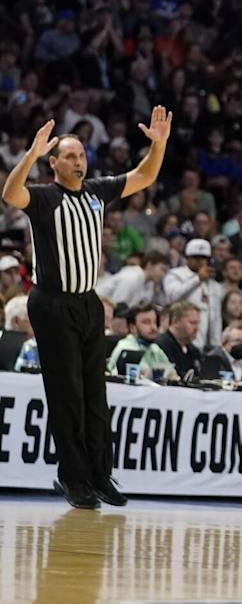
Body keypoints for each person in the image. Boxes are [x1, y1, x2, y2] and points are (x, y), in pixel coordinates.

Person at [1, 108, 171, 509]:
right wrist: (29, 155)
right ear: (54, 163)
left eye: (82, 155)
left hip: (89, 303)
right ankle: (72, 476)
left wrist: (159, 144)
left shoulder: (97, 192)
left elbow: (144, 175)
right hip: (52, 303)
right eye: (71, 156)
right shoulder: (43, 197)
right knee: (67, 394)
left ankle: (100, 474)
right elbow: (10, 194)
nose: (79, 161)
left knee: (96, 393)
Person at [106, 303, 176, 380]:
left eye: (155, 322)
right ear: (132, 328)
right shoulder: (126, 347)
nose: (153, 327)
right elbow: (144, 374)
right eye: (146, 322)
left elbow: (173, 375)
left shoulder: (155, 348)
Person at [155, 301, 203, 379]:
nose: (197, 328)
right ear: (176, 321)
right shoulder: (161, 347)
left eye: (198, 323)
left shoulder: (193, 351)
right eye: (192, 323)